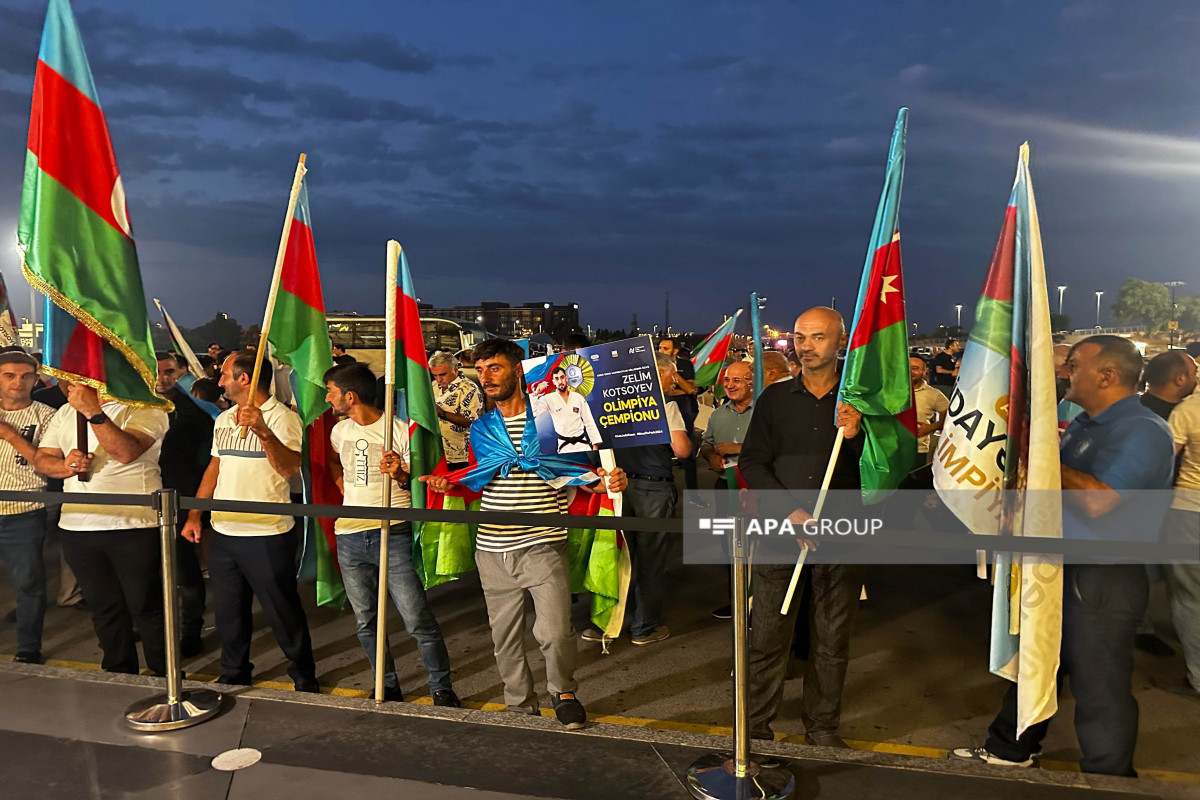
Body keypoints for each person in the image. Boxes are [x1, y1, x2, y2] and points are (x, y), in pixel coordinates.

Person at [952, 335, 1176, 776]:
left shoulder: (1143, 430)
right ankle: (1011, 747)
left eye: (1073, 364)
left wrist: (1040, 454)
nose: (1063, 371)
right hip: (1060, 566)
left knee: (1099, 685)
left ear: (1107, 376)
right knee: (1037, 663)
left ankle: (1110, 778)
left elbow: (1099, 501)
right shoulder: (1085, 424)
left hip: (1103, 578)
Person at [420, 339, 627, 729]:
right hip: (492, 547)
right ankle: (519, 703)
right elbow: (478, 476)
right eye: (479, 370)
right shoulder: (481, 427)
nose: (485, 377)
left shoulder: (549, 419)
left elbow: (573, 471)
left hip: (544, 542)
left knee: (554, 631)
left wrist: (605, 481)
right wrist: (449, 484)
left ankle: (563, 691)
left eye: (494, 368)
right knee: (505, 637)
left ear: (518, 370)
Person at [738, 306, 864, 749]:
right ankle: (754, 727)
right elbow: (753, 460)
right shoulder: (774, 398)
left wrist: (857, 437)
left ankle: (823, 727)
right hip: (780, 532)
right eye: (800, 337)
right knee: (768, 634)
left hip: (840, 533)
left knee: (831, 638)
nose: (805, 346)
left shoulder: (860, 404)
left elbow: (887, 467)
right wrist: (789, 511)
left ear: (840, 342)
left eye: (817, 337)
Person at [181, 350, 319, 692]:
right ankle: (235, 670)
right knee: (229, 612)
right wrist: (195, 514)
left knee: (281, 610)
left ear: (245, 378)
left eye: (225, 374)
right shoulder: (224, 420)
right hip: (225, 532)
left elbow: (289, 469)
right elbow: (215, 467)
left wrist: (263, 431)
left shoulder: (283, 419)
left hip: (267, 533)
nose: (220, 381)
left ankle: (303, 673)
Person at [323, 363, 460, 706]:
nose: (328, 398)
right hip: (350, 535)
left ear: (349, 396)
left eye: (331, 392)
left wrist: (400, 473)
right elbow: (335, 464)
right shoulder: (339, 431)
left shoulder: (400, 431)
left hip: (393, 532)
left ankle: (441, 687)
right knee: (366, 619)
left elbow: (416, 485)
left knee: (416, 618)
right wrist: (347, 493)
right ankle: (386, 684)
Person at [35, 381, 170, 676]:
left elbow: (126, 451)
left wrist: (92, 412)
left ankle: (166, 675)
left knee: (145, 605)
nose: (67, 382)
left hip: (133, 524)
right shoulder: (65, 412)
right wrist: (66, 466)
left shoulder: (147, 406)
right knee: (104, 608)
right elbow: (43, 459)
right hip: (77, 525)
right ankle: (118, 672)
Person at [584, 351, 690, 646]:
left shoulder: (608, 407)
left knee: (614, 556)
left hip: (615, 487)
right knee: (650, 561)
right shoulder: (666, 406)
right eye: (672, 374)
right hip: (653, 490)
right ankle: (643, 628)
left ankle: (604, 623)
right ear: (659, 375)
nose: (674, 381)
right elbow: (681, 450)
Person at [1134, 350, 1197, 657]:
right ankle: (1140, 629)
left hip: (1174, 508)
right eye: (1194, 372)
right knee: (1146, 572)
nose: (1197, 377)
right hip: (1151, 508)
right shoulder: (1152, 415)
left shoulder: (1144, 408)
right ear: (1179, 378)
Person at [155, 352, 214, 657]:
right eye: (156, 372)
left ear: (181, 373)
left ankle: (191, 630)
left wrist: (196, 508)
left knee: (185, 571)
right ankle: (151, 626)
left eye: (169, 372)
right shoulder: (135, 405)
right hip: (143, 496)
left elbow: (211, 456)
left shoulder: (194, 409)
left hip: (181, 497)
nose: (161, 378)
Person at [0, 348, 57, 664]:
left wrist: (8, 434)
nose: (16, 383)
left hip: (24, 510)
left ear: (36, 379)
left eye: (24, 376)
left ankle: (28, 648)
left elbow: (49, 463)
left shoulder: (47, 416)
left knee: (29, 583)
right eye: (9, 375)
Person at [1157, 360, 1200, 700]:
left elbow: (1164, 459)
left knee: (1189, 597)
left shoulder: (1188, 410)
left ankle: (1197, 677)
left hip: (1189, 511)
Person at [698, 361, 754, 621]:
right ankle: (737, 602)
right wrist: (710, 457)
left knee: (760, 548)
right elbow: (706, 444)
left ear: (752, 381)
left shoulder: (765, 412)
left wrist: (738, 448)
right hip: (725, 488)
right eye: (727, 380)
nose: (729, 385)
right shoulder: (718, 414)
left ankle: (760, 606)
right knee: (730, 546)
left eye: (737, 380)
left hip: (757, 490)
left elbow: (776, 447)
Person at [429, 351, 483, 471]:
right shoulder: (432, 386)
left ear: (455, 369)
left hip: (460, 456)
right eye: (435, 375)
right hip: (436, 453)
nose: (439, 379)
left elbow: (471, 421)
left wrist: (442, 413)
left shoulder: (469, 388)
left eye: (442, 374)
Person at [659, 337, 698, 490]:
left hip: (685, 412)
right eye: (660, 348)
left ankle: (693, 494)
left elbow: (689, 389)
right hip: (667, 413)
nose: (662, 351)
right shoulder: (655, 366)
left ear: (675, 351)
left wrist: (673, 371)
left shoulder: (685, 365)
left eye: (666, 349)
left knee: (688, 455)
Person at [532, 367, 602, 454]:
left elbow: (589, 421)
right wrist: (536, 393)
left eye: (562, 377)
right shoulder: (548, 398)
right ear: (553, 382)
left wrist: (595, 445)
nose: (560, 381)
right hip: (564, 447)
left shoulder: (578, 397)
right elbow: (535, 412)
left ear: (566, 378)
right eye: (557, 379)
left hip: (582, 444)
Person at [910, 356, 949, 478]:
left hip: (916, 451)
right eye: (907, 368)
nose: (910, 371)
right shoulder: (889, 391)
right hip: (888, 449)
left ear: (925, 371)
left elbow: (951, 417)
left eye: (915, 368)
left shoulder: (933, 394)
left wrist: (933, 426)